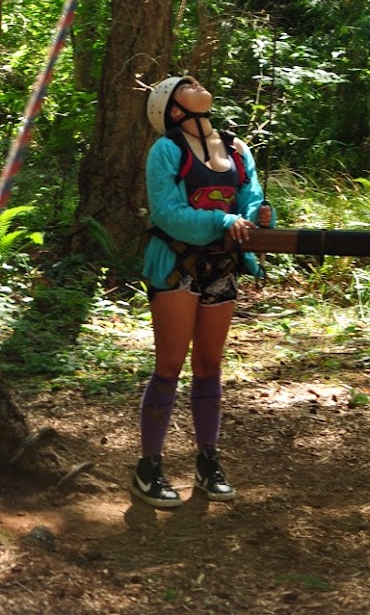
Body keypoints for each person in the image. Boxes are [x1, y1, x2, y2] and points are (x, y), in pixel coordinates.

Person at [132, 75, 273, 510]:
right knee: (171, 365)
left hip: (222, 266)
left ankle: (208, 460)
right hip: (177, 265)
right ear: (174, 110)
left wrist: (256, 215)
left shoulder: (236, 148)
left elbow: (250, 197)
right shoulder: (167, 150)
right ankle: (148, 467)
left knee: (210, 365)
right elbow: (169, 213)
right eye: (185, 84)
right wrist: (223, 222)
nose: (195, 83)